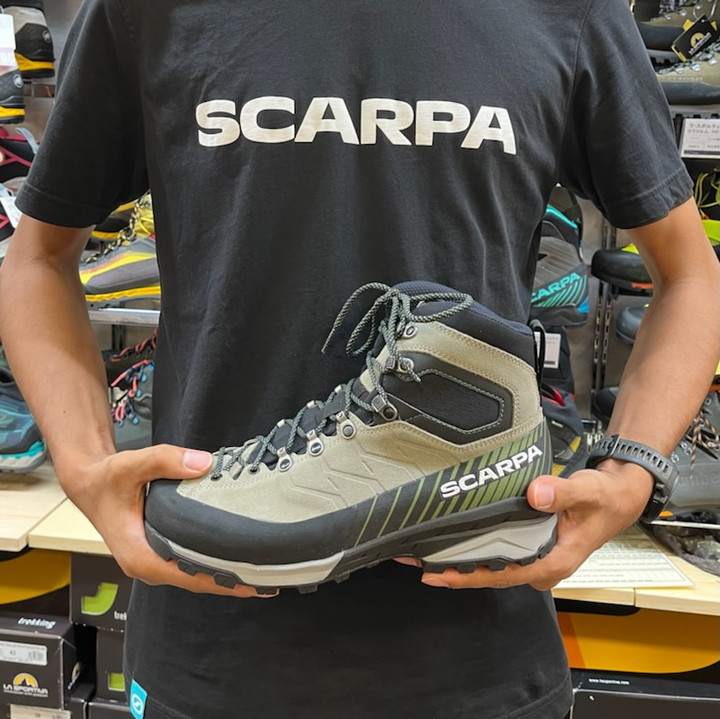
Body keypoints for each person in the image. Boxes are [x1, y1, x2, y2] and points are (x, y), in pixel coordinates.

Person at [0, 1, 717, 717]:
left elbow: (691, 275)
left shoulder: (567, 9)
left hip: (480, 647)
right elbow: (38, 259)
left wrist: (631, 473)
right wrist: (84, 467)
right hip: (208, 634)